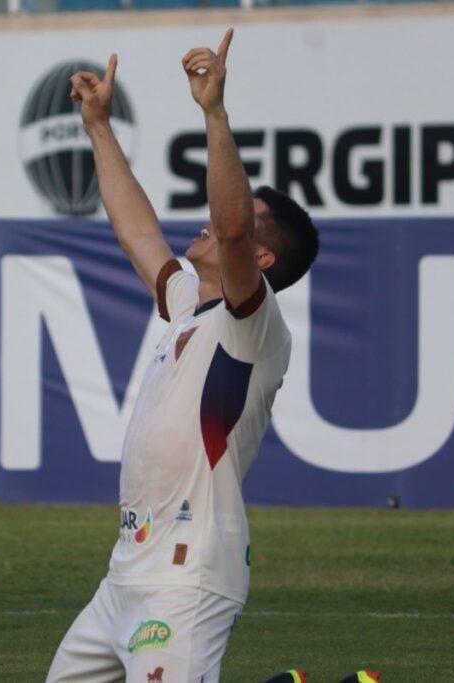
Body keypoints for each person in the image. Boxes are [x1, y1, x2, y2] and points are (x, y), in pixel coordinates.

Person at [47, 28, 319, 683]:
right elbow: (136, 230)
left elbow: (227, 227)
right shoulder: (185, 307)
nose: (212, 223)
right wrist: (99, 129)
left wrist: (214, 114)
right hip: (125, 573)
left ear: (260, 259)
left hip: (187, 574)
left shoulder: (250, 324)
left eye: (246, 223)